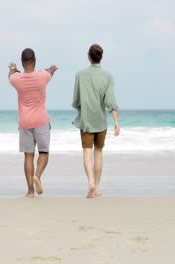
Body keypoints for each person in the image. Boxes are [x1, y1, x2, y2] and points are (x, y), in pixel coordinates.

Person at [8, 48, 58, 198]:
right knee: (44, 152)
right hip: (41, 120)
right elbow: (50, 70)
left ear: (22, 61)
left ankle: (30, 191)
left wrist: (13, 69)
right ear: (35, 60)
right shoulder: (43, 76)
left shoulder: (16, 79)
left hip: (25, 122)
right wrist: (53, 68)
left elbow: (11, 75)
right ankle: (37, 175)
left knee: (28, 156)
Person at [72, 44, 120, 198]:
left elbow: (76, 100)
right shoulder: (108, 76)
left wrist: (80, 109)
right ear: (101, 57)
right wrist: (116, 123)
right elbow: (110, 101)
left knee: (87, 152)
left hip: (86, 121)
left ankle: (91, 183)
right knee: (98, 153)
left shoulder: (80, 74)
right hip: (101, 121)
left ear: (88, 56)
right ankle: (97, 187)